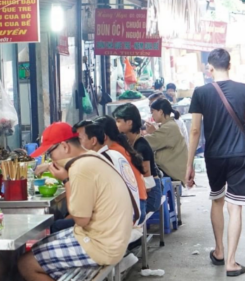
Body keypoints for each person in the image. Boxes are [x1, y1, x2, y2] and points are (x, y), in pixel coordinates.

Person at [19, 123, 133, 281]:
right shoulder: (92, 156)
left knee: (26, 263)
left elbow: (80, 219)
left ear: (64, 147)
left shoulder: (80, 168)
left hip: (102, 245)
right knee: (38, 247)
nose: (51, 158)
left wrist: (66, 180)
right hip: (111, 237)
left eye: (50, 153)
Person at [186, 48, 245, 276]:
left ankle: (219, 251)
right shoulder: (243, 90)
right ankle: (232, 262)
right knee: (236, 206)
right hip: (240, 155)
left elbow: (194, 131)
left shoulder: (201, 92)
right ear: (229, 65)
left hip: (214, 156)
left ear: (210, 68)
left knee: (217, 200)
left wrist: (189, 164)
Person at [87, 116, 147, 219]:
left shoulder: (110, 154)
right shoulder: (118, 148)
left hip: (134, 208)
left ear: (103, 137)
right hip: (138, 203)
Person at [113, 103, 162, 214]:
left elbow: (148, 184)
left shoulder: (141, 146)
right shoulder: (130, 142)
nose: (116, 125)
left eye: (118, 121)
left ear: (129, 123)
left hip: (151, 197)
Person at [145, 99, 187, 184]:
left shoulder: (169, 127)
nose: (152, 115)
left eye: (153, 112)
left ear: (160, 111)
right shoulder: (169, 125)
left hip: (171, 172)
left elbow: (149, 143)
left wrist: (136, 137)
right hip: (172, 169)